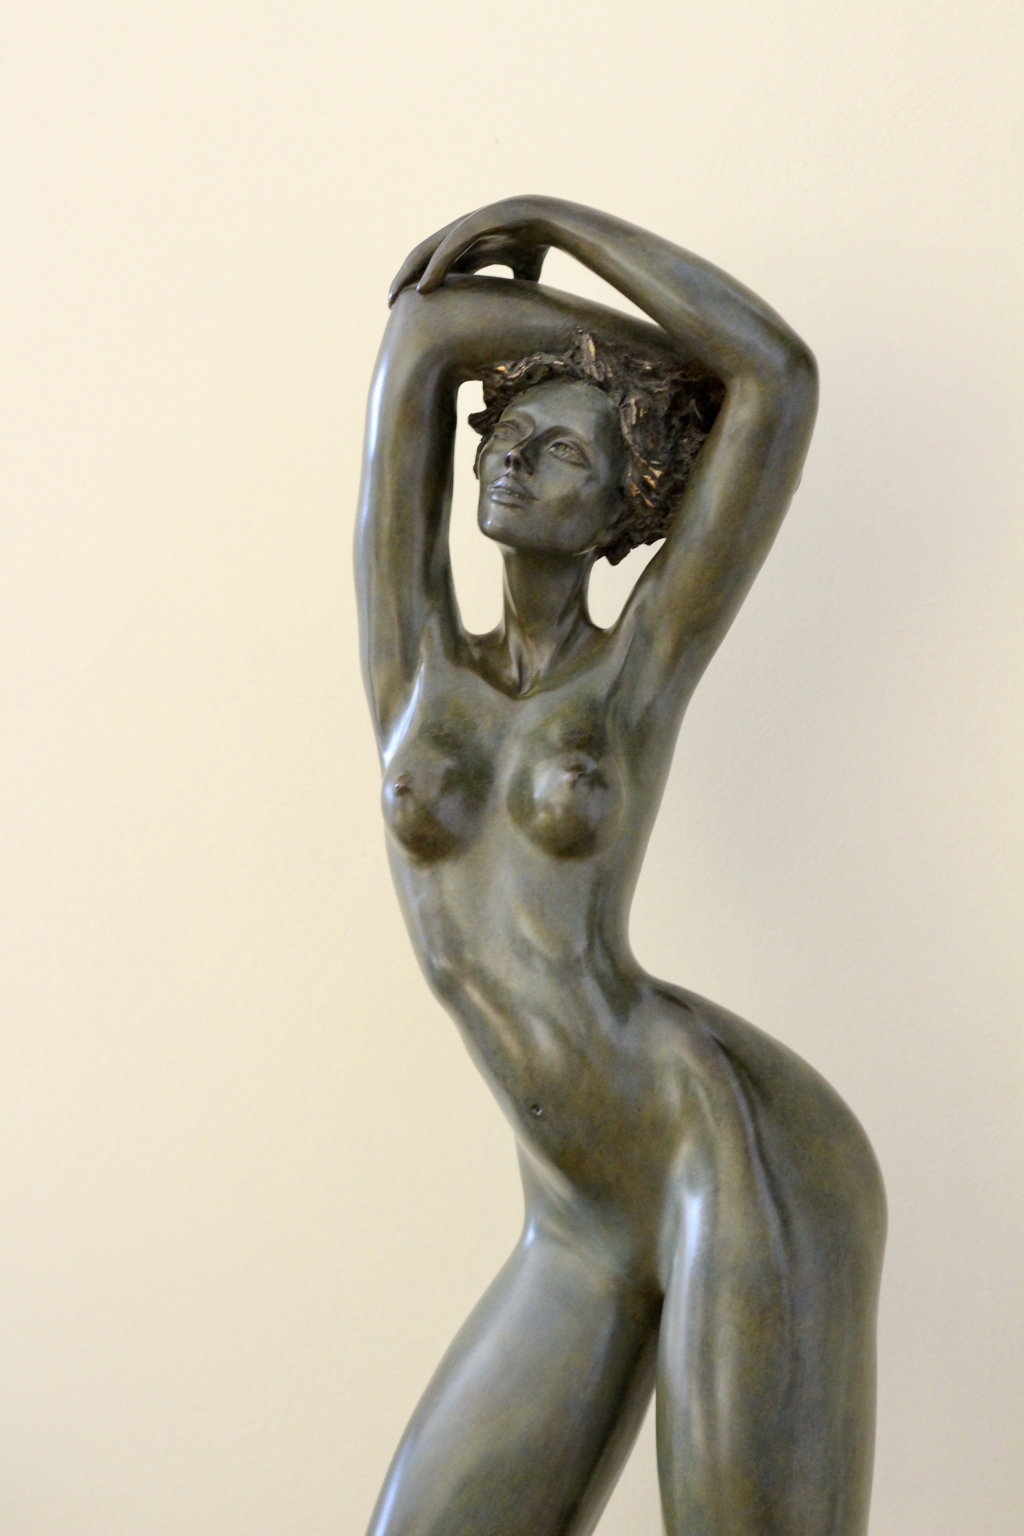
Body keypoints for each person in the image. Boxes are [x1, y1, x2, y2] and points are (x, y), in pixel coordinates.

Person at [355, 196, 886, 1536]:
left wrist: (556, 222)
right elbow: (424, 336)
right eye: (509, 433)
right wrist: (629, 363)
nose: (510, 459)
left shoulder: (635, 674)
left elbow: (774, 378)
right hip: (576, 1209)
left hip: (716, 1145)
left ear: (622, 511)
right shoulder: (413, 663)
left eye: (561, 452)